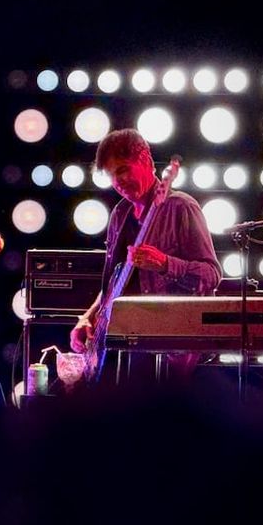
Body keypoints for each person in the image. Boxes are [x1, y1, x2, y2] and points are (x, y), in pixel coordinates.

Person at [69, 128, 222, 371]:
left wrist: (164, 264)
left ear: (146, 161)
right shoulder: (120, 213)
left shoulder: (181, 207)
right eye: (111, 176)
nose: (117, 182)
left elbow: (212, 275)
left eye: (123, 170)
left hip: (170, 348)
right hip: (123, 346)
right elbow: (114, 282)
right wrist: (89, 316)